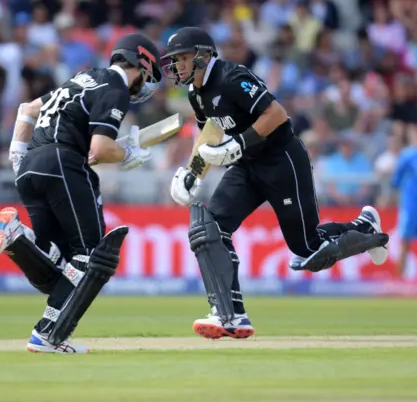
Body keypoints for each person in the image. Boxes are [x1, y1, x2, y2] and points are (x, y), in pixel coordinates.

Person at [161, 27, 389, 340]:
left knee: (308, 249)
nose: (177, 66)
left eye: (183, 58)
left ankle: (366, 228)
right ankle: (230, 314)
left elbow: (276, 114)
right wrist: (192, 173)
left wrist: (239, 142)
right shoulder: (195, 94)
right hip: (247, 165)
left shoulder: (231, 77)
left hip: (282, 160)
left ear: (203, 54)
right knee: (210, 226)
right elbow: (208, 135)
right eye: (175, 61)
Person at [0, 33, 162, 353]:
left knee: (61, 265)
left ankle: (44, 325)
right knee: (91, 256)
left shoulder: (83, 77)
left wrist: (17, 153)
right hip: (62, 163)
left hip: (31, 166)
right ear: (141, 63)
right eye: (149, 76)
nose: (146, 85)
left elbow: (27, 109)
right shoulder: (115, 86)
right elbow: (101, 148)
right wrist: (128, 154)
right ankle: (47, 332)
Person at [391, 121, 417, 277]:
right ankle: (399, 280)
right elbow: (396, 181)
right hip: (411, 206)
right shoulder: (408, 156)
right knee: (405, 242)